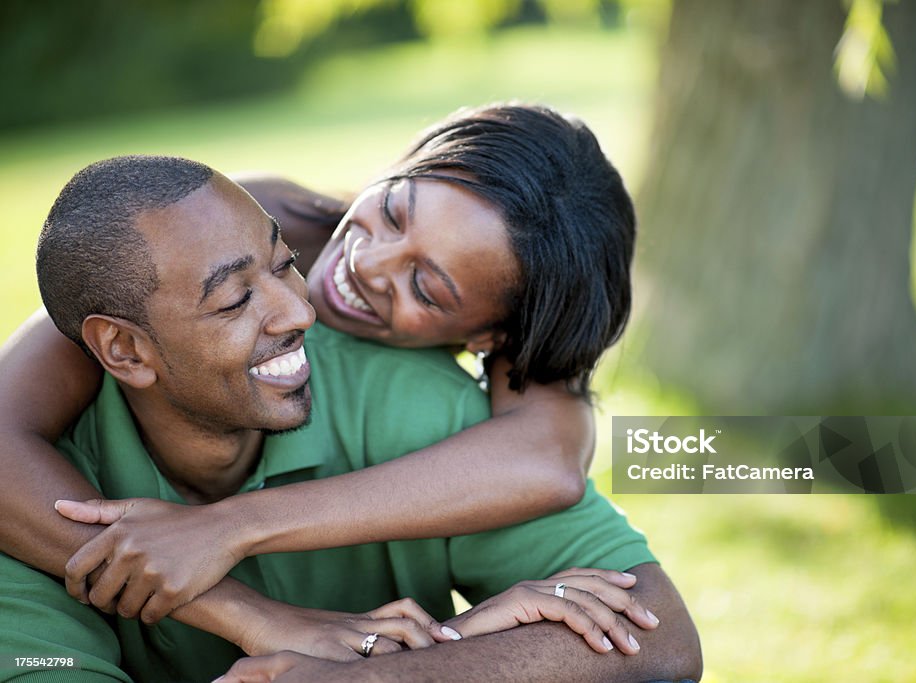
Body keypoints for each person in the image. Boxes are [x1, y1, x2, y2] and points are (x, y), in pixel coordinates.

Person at [0, 155, 700, 682]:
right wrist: (264, 625)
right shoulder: (40, 492)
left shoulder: (427, 406)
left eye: (428, 286)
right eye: (393, 211)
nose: (311, 300)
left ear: (492, 339)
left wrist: (382, 668)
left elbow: (656, 629)